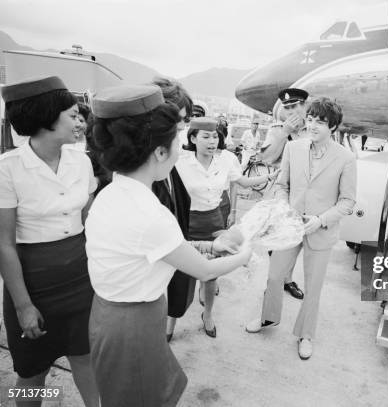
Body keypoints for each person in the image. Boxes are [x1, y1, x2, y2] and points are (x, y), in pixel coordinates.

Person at [85, 85, 251, 407]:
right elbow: (203, 271)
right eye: (177, 138)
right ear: (160, 152)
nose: (180, 147)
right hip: (134, 325)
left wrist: (205, 245)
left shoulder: (112, 193)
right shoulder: (150, 213)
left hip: (110, 316)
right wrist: (244, 254)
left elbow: (150, 249)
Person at [0, 76, 100, 407]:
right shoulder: (8, 169)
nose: (80, 121)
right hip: (33, 283)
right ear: (46, 118)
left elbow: (87, 222)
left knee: (86, 359)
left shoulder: (81, 161)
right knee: (32, 371)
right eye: (72, 115)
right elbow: (4, 244)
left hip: (80, 278)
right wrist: (23, 306)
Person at [246, 97, 357, 360]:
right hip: (290, 225)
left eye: (320, 122)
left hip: (321, 230)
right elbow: (282, 185)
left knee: (313, 286)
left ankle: (306, 334)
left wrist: (320, 220)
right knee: (274, 276)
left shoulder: (346, 158)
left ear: (333, 127)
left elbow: (348, 202)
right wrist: (285, 209)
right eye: (310, 120)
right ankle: (268, 318)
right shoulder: (293, 149)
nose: (313, 125)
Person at [176, 117, 278, 338]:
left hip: (213, 221)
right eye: (206, 136)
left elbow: (241, 181)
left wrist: (270, 176)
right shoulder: (181, 161)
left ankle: (208, 315)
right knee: (182, 275)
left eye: (215, 136)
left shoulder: (225, 160)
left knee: (211, 275)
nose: (212, 141)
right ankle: (171, 321)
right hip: (187, 222)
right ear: (193, 138)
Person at [149, 77, 195, 342]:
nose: (182, 125)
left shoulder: (169, 159)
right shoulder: (145, 165)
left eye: (185, 119)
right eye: (180, 117)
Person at [259, 87, 311, 300]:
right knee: (275, 243)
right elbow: (267, 159)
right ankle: (276, 280)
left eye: (295, 106)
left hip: (303, 196)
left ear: (305, 106)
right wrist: (284, 134)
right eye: (287, 107)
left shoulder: (314, 129)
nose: (290, 111)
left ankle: (285, 279)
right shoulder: (277, 130)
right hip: (279, 194)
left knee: (295, 241)